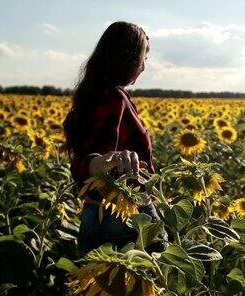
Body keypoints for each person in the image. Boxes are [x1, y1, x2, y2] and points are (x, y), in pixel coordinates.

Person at [62, 21, 167, 256]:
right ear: (127, 58)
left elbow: (83, 159)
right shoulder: (114, 98)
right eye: (143, 60)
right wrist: (107, 162)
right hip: (124, 213)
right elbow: (100, 156)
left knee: (95, 289)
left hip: (93, 213)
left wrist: (94, 164)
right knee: (159, 274)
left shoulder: (90, 95)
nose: (143, 68)